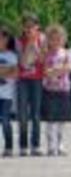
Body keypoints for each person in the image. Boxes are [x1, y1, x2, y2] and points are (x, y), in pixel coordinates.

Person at [42, 25, 71, 156]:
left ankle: (60, 144)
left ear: (63, 40)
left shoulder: (66, 53)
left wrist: (54, 71)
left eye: (58, 39)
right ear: (48, 40)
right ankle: (50, 145)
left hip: (63, 89)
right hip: (49, 89)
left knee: (61, 119)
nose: (55, 41)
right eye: (52, 39)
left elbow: (69, 68)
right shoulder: (46, 54)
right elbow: (45, 71)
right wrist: (59, 70)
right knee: (50, 119)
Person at [16, 13, 45, 156]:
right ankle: (23, 145)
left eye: (31, 26)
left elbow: (42, 60)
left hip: (37, 79)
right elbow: (23, 62)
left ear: (37, 27)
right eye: (26, 26)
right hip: (22, 80)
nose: (28, 29)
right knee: (22, 113)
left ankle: (36, 144)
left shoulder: (42, 39)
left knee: (35, 114)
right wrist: (29, 44)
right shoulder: (18, 41)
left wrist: (35, 44)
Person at [0, 29, 18, 157]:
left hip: (6, 95)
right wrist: (6, 70)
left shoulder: (12, 55)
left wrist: (4, 72)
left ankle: (9, 147)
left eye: (2, 38)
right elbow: (10, 71)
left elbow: (15, 74)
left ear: (8, 40)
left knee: (5, 120)